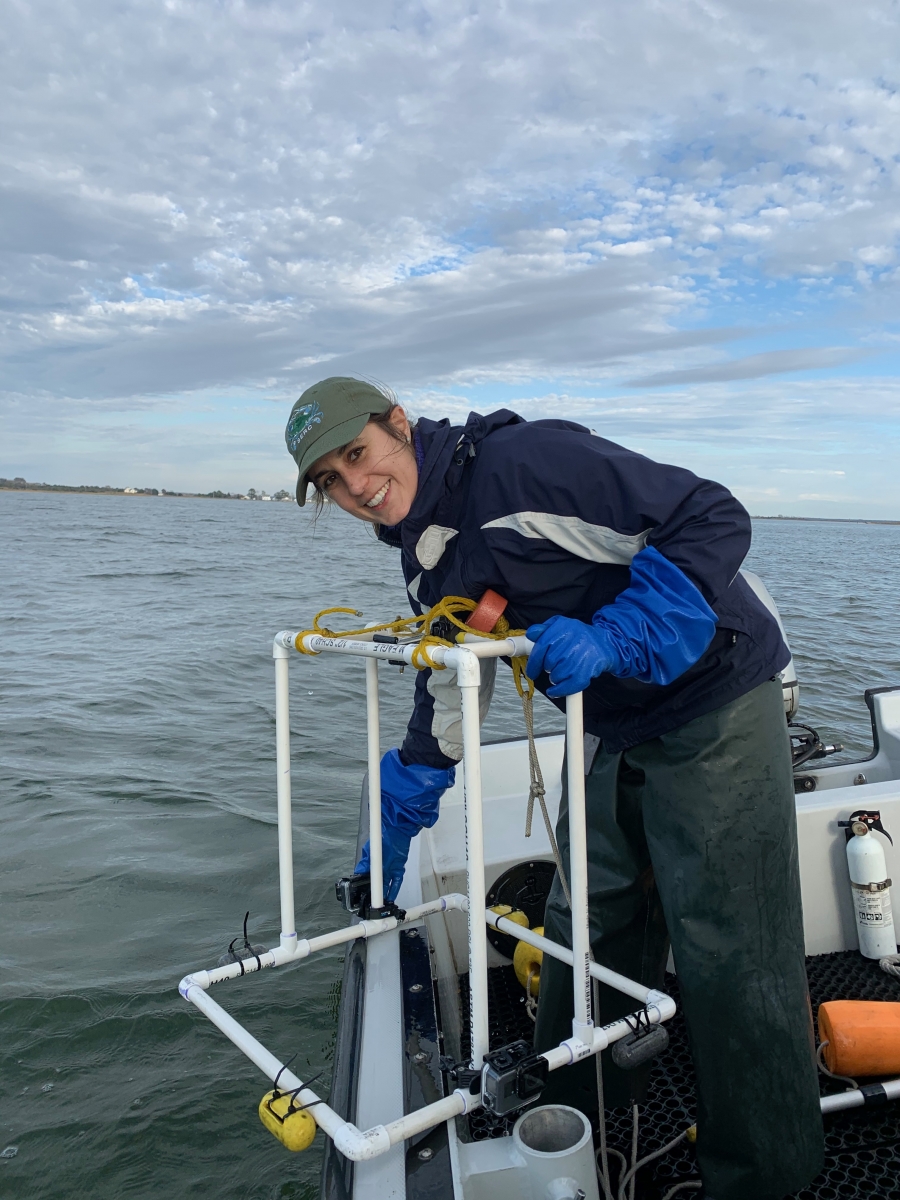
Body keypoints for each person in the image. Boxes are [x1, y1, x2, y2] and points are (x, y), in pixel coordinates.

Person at [284, 376, 824, 1200]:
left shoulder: (524, 466)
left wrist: (621, 634)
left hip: (715, 694)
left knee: (729, 945)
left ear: (398, 424)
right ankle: (578, 1116)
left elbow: (712, 515)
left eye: (357, 455)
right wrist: (408, 796)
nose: (354, 487)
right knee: (585, 914)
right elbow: (461, 657)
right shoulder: (431, 551)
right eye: (330, 480)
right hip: (611, 719)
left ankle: (764, 1177)